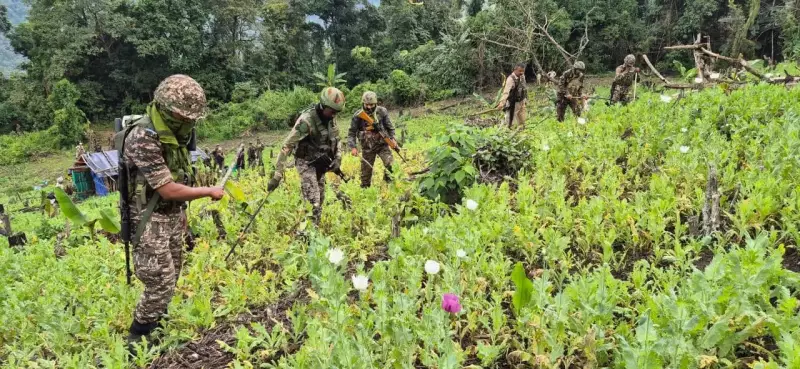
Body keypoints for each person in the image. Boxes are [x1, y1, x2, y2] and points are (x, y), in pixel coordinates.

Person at [120, 74, 225, 352]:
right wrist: (208, 191)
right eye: (184, 117)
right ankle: (138, 338)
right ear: (168, 110)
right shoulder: (143, 137)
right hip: (148, 217)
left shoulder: (176, 135)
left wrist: (182, 214)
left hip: (172, 214)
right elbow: (166, 189)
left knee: (174, 273)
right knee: (160, 280)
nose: (189, 123)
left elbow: (179, 176)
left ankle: (158, 324)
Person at [267, 87, 345, 226]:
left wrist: (338, 158)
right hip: (305, 162)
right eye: (332, 111)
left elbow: (337, 140)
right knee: (313, 202)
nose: (334, 115)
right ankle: (306, 233)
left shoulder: (331, 118)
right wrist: (277, 175)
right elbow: (287, 146)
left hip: (320, 162)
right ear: (323, 105)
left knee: (320, 198)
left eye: (336, 112)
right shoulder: (306, 121)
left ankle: (314, 230)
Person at [348, 91, 396, 188]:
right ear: (363, 103)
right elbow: (351, 133)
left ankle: (388, 184)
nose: (369, 107)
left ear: (376, 103)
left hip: (382, 145)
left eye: (371, 105)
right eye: (367, 105)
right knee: (366, 173)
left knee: (390, 164)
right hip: (367, 148)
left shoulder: (382, 111)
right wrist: (353, 147)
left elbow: (390, 127)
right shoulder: (357, 115)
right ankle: (365, 190)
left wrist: (393, 138)